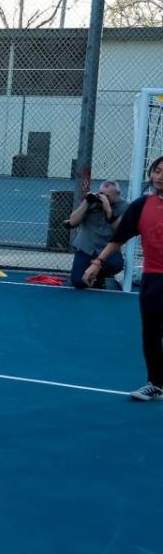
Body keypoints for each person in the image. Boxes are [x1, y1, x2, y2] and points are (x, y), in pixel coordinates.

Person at [85, 156, 163, 401]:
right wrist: (97, 263)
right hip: (153, 278)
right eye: (157, 171)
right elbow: (119, 238)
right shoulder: (141, 205)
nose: (160, 176)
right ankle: (155, 383)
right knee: (150, 332)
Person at [66, 179, 127, 290]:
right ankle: (92, 277)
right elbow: (73, 221)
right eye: (101, 194)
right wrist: (86, 203)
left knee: (116, 264)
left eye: (107, 196)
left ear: (117, 195)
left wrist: (108, 210)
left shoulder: (124, 207)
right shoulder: (92, 202)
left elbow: (121, 230)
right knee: (77, 282)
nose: (102, 197)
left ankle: (98, 276)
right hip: (86, 247)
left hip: (107, 249)